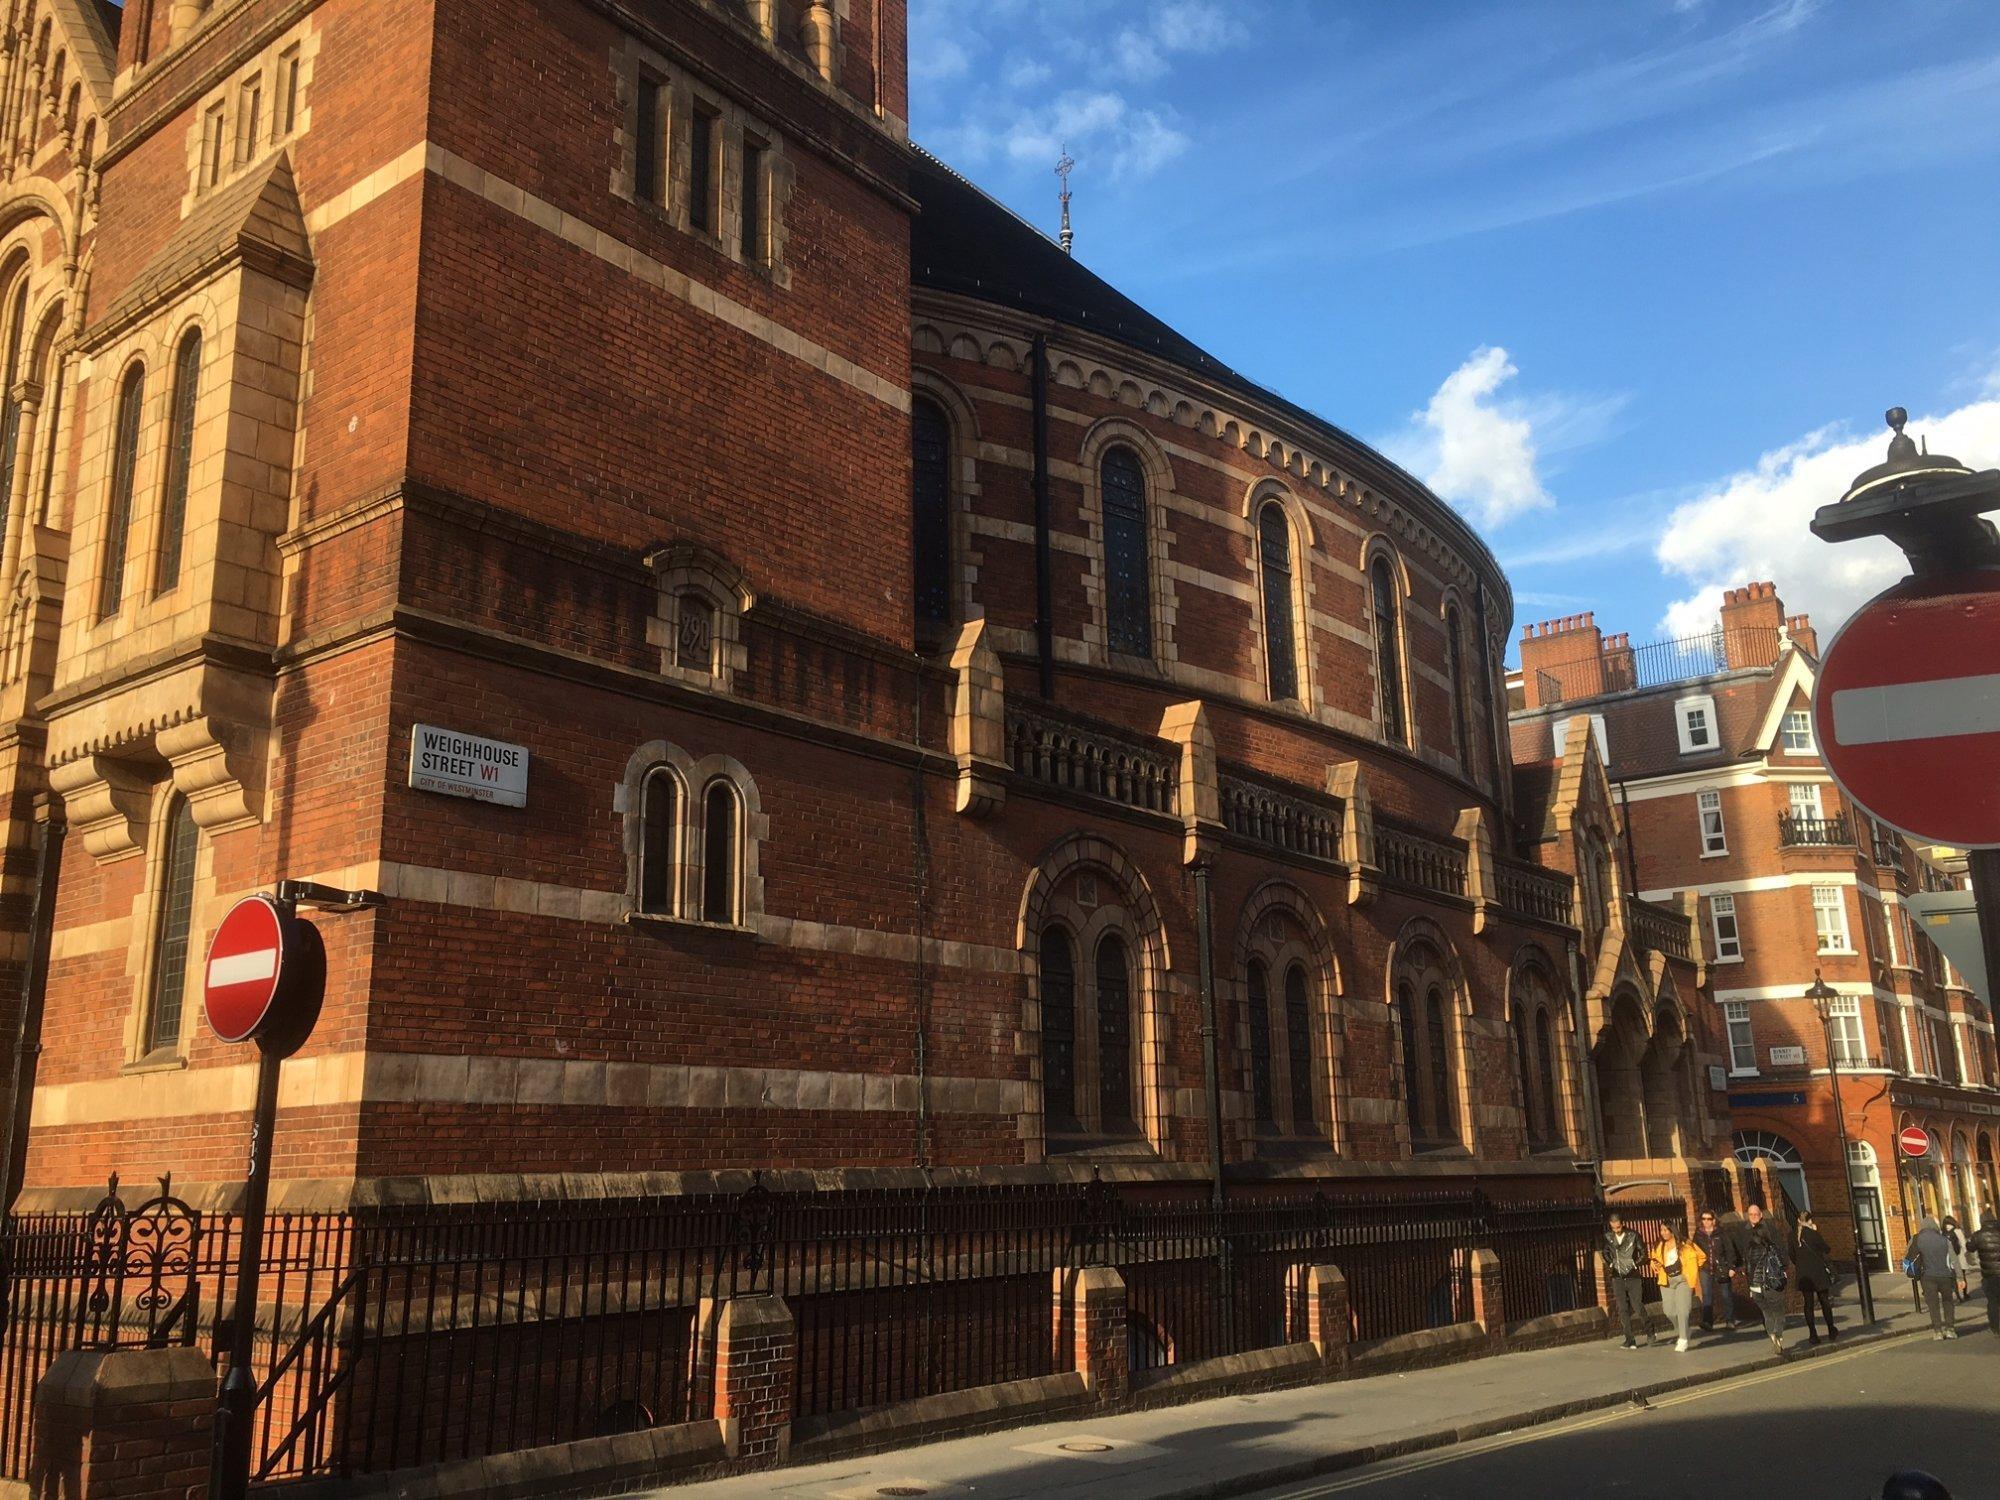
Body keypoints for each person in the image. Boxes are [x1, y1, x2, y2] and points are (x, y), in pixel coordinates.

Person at [1742, 1202, 1790, 1353]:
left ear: (1761, 1215)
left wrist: (1750, 1285)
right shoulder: (1769, 1242)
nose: (1754, 1217)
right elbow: (1780, 1256)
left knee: (1767, 1313)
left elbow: (1747, 1265)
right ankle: (1778, 1337)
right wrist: (1783, 1271)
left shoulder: (1750, 1245)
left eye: (1756, 1214)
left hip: (1756, 1284)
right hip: (1771, 1282)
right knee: (1778, 1311)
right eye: (1751, 1214)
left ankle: (1773, 1337)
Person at [1650, 1220, 1704, 1353]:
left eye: (1666, 1230)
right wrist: (1653, 1263)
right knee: (1669, 1311)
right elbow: (1654, 1258)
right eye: (1662, 1230)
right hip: (1666, 1280)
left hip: (1682, 1280)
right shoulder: (1659, 1245)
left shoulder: (1685, 1244)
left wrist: (1692, 1271)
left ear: (1673, 1230)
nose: (1663, 1233)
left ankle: (1683, 1339)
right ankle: (1683, 1329)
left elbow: (1701, 1257)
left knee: (1683, 1310)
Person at [1603, 1211, 1651, 1349]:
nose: (1616, 1230)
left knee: (1637, 1305)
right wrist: (1611, 1263)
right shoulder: (1608, 1236)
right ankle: (1630, 1339)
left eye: (1618, 1227)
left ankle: (1650, 1330)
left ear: (1622, 1224)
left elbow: (1643, 1252)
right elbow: (1605, 1251)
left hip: (1632, 1276)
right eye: (1613, 1228)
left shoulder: (1633, 1235)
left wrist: (1635, 1264)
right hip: (1617, 1276)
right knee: (1622, 1308)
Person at [1790, 1209, 1838, 1344]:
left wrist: (1801, 1264)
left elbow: (1792, 1255)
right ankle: (1831, 1330)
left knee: (1808, 1304)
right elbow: (1826, 1249)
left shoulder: (1791, 1235)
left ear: (1798, 1221)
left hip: (1804, 1274)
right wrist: (1816, 1231)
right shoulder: (1813, 1234)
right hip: (1818, 1272)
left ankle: (1813, 1334)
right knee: (1824, 1301)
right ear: (1809, 1220)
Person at [1908, 1214, 1957, 1339]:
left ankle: (1938, 1331)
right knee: (1948, 1302)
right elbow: (1954, 1259)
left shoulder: (1917, 1239)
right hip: (1945, 1275)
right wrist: (1960, 1277)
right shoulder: (1944, 1239)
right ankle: (1950, 1329)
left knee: (1933, 1304)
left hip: (1927, 1276)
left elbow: (1908, 1255)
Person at [1692, 1207, 1738, 1331]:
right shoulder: (1698, 1234)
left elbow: (1729, 1249)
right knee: (1706, 1295)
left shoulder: (1721, 1233)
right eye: (1704, 1219)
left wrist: (1731, 1266)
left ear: (1714, 1220)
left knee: (1726, 1294)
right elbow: (1694, 1251)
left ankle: (1730, 1320)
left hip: (1721, 1267)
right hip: (1705, 1269)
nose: (1706, 1221)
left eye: (1709, 1219)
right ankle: (1707, 1322)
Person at [1971, 1212, 2000, 1337]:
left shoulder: (1978, 1235)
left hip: (1989, 1274)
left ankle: (1995, 1327)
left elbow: (1970, 1247)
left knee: (1992, 1301)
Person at [1940, 1215, 1971, 1301]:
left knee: (1953, 1278)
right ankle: (1965, 1294)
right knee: (1962, 1276)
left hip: (1949, 1258)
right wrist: (1966, 1253)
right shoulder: (1957, 1230)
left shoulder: (1942, 1232)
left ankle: (1958, 1296)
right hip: (1959, 1256)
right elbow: (1963, 1243)